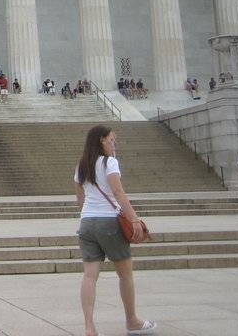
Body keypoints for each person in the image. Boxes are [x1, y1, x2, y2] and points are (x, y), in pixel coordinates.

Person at [74, 125, 156, 336]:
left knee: (89, 276)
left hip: (86, 222)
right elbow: (118, 192)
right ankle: (132, 321)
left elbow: (80, 197)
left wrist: (88, 211)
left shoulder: (82, 166)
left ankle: (89, 327)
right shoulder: (109, 163)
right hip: (109, 222)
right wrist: (134, 219)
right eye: (111, 139)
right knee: (125, 274)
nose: (114, 142)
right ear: (101, 140)